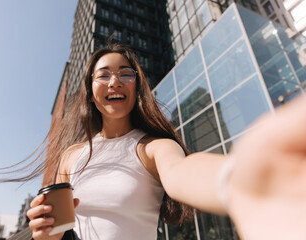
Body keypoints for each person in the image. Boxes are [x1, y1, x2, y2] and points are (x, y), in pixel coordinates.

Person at [25, 43, 306, 240]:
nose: (115, 82)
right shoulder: (71, 156)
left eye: (126, 73)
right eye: (104, 75)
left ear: (137, 88)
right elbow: (56, 233)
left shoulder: (153, 147)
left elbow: (183, 173)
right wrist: (44, 231)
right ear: (89, 93)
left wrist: (238, 181)